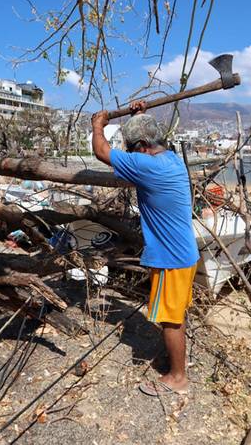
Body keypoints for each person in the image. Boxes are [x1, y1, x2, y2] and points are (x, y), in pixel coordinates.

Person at [91, 100, 199, 396]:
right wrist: (139, 117)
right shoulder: (172, 159)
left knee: (171, 319)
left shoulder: (145, 165)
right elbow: (143, 141)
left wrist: (97, 124)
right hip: (185, 253)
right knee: (175, 313)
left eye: (132, 147)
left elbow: (102, 152)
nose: (130, 153)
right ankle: (176, 361)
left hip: (171, 258)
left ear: (141, 146)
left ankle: (178, 377)